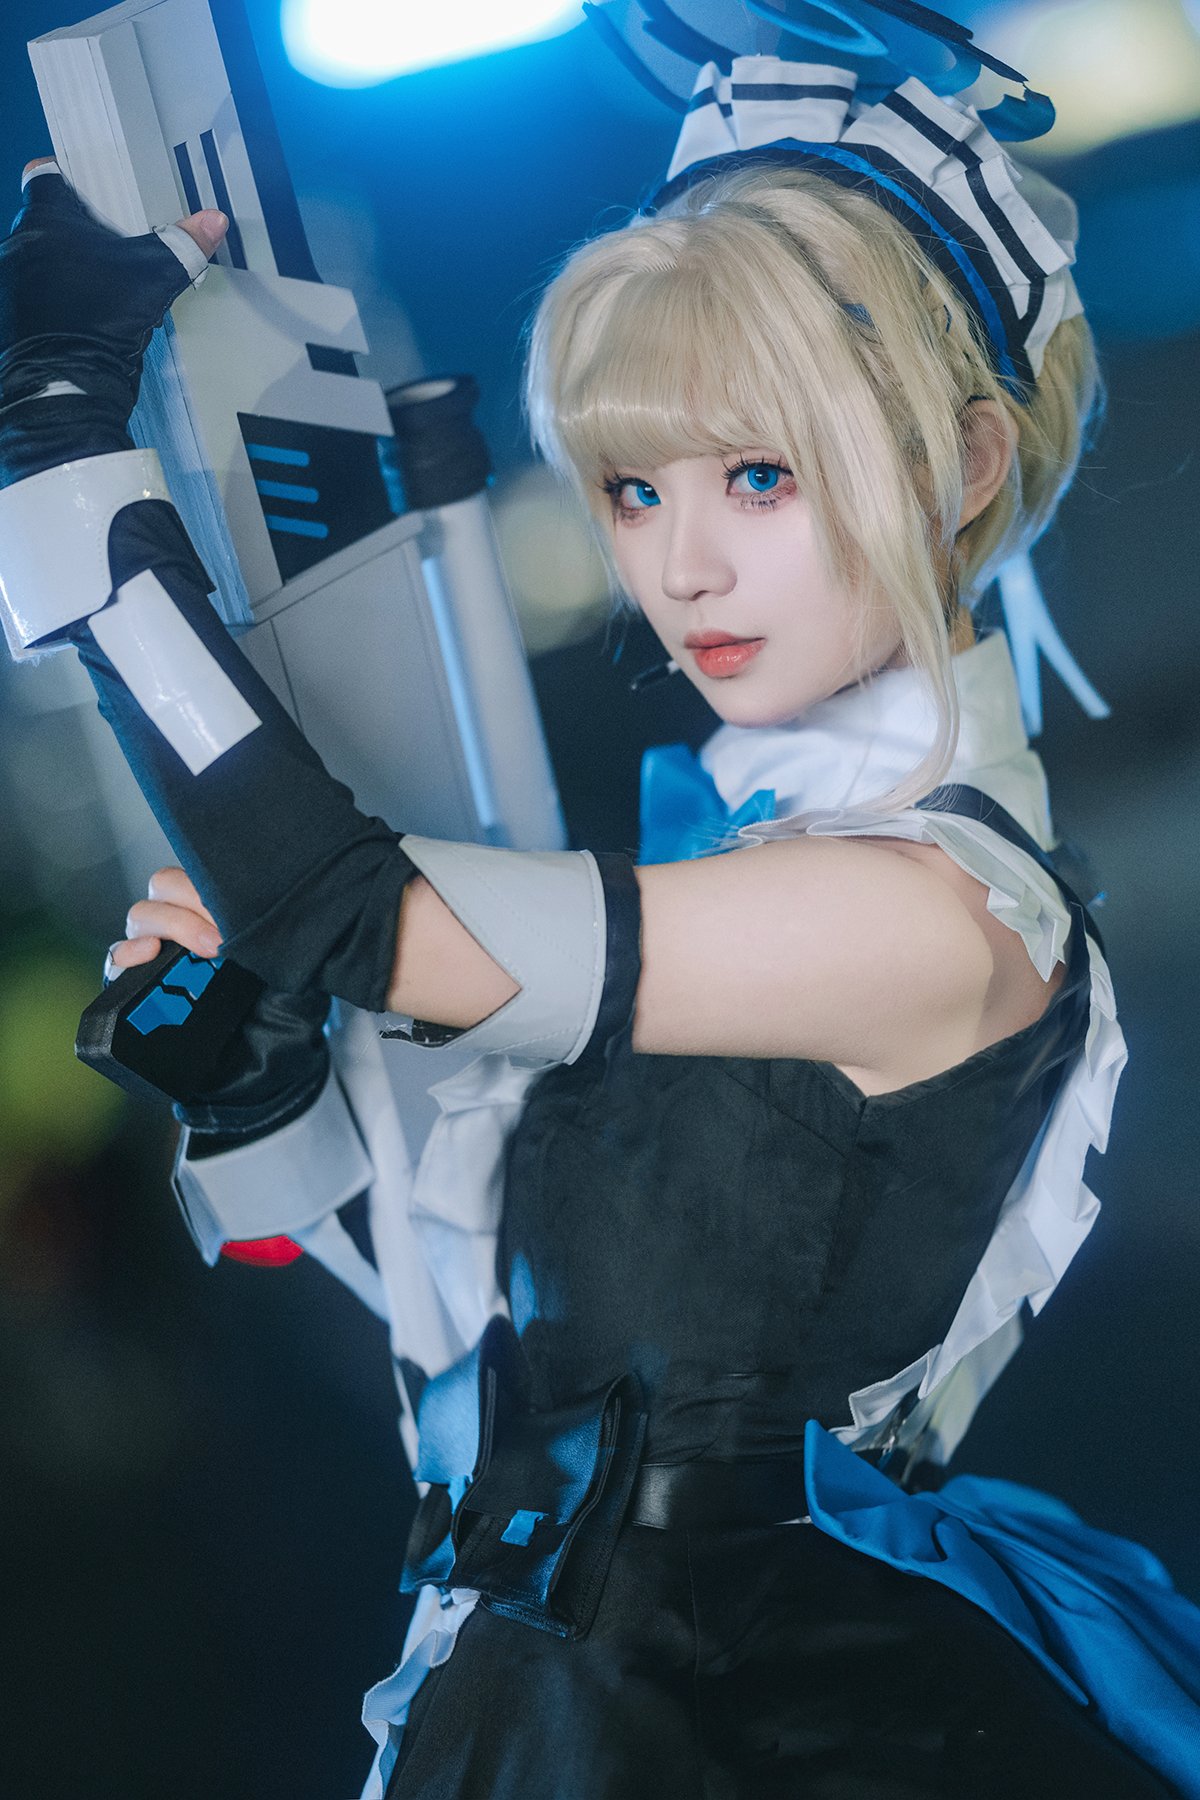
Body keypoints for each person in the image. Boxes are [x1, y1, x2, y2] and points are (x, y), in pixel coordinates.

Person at [3, 6, 1200, 1798]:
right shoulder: (743, 865)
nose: (680, 565)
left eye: (760, 477)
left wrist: (63, 460)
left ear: (958, 465)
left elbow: (351, 913)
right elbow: (513, 1336)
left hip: (745, 1721)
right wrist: (269, 1087)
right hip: (558, 1689)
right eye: (636, 487)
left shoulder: (936, 918)